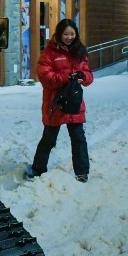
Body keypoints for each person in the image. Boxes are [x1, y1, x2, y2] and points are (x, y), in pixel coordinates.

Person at [24, 18, 93, 182]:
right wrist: (65, 76)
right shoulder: (49, 53)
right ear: (59, 34)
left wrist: (83, 76)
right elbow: (44, 76)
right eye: (66, 34)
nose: (69, 37)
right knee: (49, 138)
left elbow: (89, 76)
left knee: (79, 139)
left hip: (74, 102)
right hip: (55, 103)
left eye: (72, 34)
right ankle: (38, 169)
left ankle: (82, 172)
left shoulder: (80, 52)